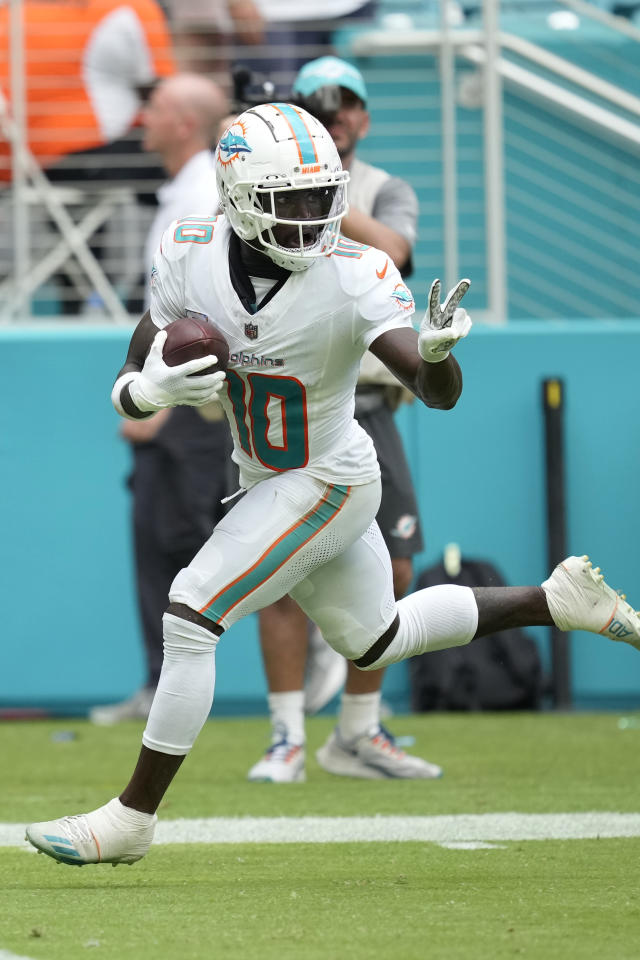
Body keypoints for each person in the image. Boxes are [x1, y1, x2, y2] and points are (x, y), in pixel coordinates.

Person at [26, 101, 640, 867]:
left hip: (331, 476)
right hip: (267, 475)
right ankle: (557, 600)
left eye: (326, 196)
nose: (318, 217)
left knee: (191, 610)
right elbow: (127, 378)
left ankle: (131, 820)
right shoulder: (187, 251)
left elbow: (433, 389)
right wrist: (151, 394)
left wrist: (441, 353)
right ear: (242, 200)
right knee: (374, 637)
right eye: (297, 201)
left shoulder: (354, 276)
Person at [248, 56, 431, 784]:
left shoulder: (384, 187)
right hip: (290, 391)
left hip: (367, 395)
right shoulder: (265, 178)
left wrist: (318, 191)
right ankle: (286, 732)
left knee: (400, 561)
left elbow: (397, 251)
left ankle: (357, 729)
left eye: (346, 101)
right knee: (278, 566)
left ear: (364, 114)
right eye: (317, 102)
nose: (335, 112)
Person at [89, 74, 234, 725]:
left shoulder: (202, 192)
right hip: (170, 401)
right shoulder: (181, 190)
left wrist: (162, 407)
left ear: (182, 123)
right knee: (158, 541)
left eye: (154, 106)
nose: (141, 115)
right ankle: (160, 683)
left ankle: (174, 688)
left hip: (190, 410)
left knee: (184, 547)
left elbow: (203, 317)